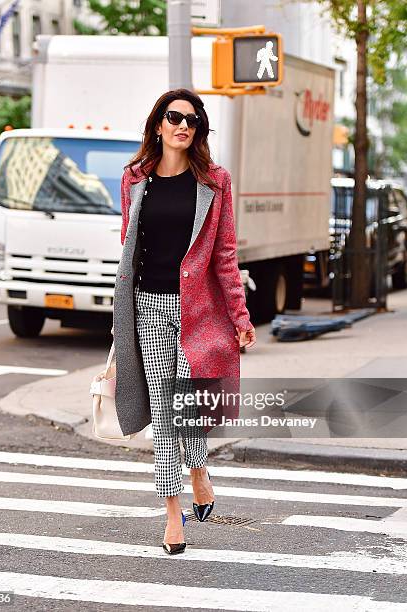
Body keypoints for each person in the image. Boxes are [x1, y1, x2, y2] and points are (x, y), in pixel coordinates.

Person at [112, 88, 256, 555]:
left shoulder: (215, 182)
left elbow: (225, 255)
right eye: (174, 117)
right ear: (158, 125)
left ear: (199, 130)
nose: (182, 126)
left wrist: (240, 314)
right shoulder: (134, 180)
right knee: (166, 413)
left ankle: (198, 470)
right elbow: (128, 248)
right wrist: (120, 324)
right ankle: (173, 513)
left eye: (192, 120)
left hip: (198, 311)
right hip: (149, 308)